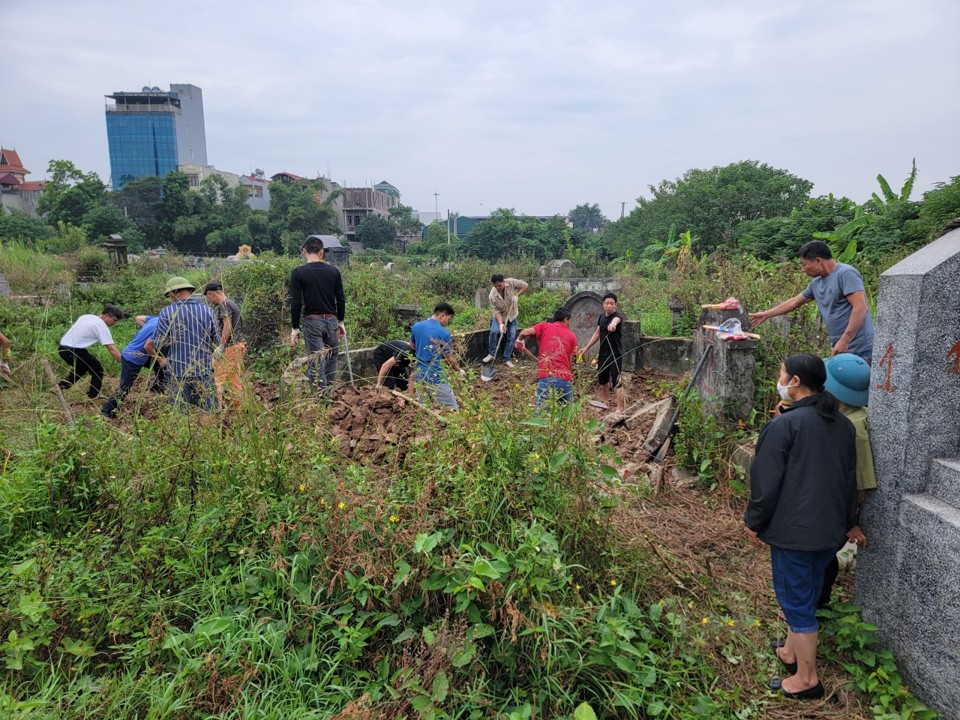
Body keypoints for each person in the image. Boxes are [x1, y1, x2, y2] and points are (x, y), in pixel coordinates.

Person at [744, 353, 858, 701]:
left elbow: (765, 482)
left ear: (795, 382)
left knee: (795, 602)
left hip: (796, 532)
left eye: (782, 374)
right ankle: (791, 653)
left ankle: (807, 678)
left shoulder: (784, 425)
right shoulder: (843, 425)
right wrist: (850, 522)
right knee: (806, 589)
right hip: (830, 531)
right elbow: (848, 480)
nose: (780, 379)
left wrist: (754, 521)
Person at [749, 240, 875, 361]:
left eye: (804, 264)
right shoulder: (816, 283)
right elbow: (795, 302)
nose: (802, 270)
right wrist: (766, 314)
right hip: (840, 348)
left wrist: (845, 340)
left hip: (861, 349)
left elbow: (860, 307)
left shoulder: (846, 273)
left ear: (818, 261)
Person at [818, 353, 875, 608]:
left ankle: (818, 606)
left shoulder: (853, 426)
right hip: (834, 504)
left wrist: (850, 520)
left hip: (839, 508)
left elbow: (859, 479)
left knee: (822, 560)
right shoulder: (846, 414)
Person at [146, 276, 219, 412]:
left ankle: (185, 432)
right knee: (208, 409)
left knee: (179, 412)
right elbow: (218, 340)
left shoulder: (166, 312)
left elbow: (159, 341)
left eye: (170, 295)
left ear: (175, 292)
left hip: (177, 370)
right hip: (204, 369)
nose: (170, 298)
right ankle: (207, 432)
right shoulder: (208, 311)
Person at [289, 236, 346, 397]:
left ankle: (320, 398)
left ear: (304, 251)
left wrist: (295, 328)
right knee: (331, 356)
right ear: (322, 252)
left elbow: (296, 303)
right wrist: (340, 321)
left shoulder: (299, 273)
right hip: (331, 320)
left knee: (316, 360)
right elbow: (340, 298)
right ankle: (328, 392)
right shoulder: (333, 271)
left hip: (312, 321)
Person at [101, 315, 168, 419]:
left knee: (161, 367)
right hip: (132, 358)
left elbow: (138, 318)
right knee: (124, 387)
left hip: (141, 356)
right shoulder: (162, 327)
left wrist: (145, 331)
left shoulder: (156, 319)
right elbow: (147, 346)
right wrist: (160, 359)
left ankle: (156, 389)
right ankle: (107, 412)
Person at [57, 304, 125, 399]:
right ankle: (93, 396)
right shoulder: (100, 325)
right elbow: (112, 349)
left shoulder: (87, 317)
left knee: (81, 368)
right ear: (106, 316)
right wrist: (125, 362)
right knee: (98, 370)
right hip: (73, 350)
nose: (114, 323)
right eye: (114, 320)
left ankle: (59, 387)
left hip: (62, 348)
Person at [518, 307, 579, 409]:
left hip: (546, 378)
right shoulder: (572, 336)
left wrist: (519, 340)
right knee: (568, 418)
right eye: (570, 321)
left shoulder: (544, 326)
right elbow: (570, 363)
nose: (570, 324)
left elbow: (524, 333)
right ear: (565, 320)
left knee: (542, 417)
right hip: (565, 379)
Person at [410, 302, 465, 409]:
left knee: (424, 411)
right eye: (448, 319)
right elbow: (449, 358)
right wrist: (458, 371)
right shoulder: (444, 333)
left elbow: (412, 347)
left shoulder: (416, 326)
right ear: (442, 316)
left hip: (419, 376)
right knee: (452, 410)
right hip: (436, 377)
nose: (447, 322)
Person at [203, 280, 246, 410]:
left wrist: (221, 345)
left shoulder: (224, 304)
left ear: (211, 294)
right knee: (234, 379)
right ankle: (239, 410)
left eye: (208, 298)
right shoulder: (232, 303)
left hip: (231, 347)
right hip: (239, 346)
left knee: (218, 378)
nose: (210, 301)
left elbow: (227, 325)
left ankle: (216, 409)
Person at [580, 293, 625, 412]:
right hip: (603, 353)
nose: (609, 306)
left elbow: (616, 320)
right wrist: (586, 347)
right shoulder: (601, 317)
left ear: (616, 305)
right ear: (603, 305)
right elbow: (597, 333)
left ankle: (620, 406)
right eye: (607, 303)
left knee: (617, 380)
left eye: (612, 303)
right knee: (603, 379)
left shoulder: (617, 316)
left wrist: (613, 324)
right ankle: (605, 403)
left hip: (615, 354)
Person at [483, 274, 528, 368]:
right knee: (494, 331)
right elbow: (496, 311)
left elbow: (525, 285)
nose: (498, 287)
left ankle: (506, 358)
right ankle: (491, 354)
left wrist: (517, 296)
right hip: (500, 316)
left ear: (503, 281)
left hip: (512, 315)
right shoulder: (492, 295)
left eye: (499, 285)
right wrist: (500, 324)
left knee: (511, 336)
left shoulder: (511, 282)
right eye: (495, 286)